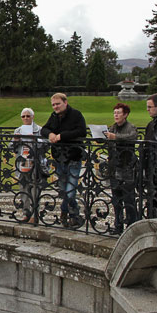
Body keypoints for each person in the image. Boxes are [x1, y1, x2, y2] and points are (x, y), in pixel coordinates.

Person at [43, 93, 90, 226]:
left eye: (57, 104)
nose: (55, 107)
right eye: (53, 105)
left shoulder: (76, 115)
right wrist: (51, 134)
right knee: (64, 189)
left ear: (65, 102)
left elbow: (81, 131)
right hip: (59, 158)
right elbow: (44, 129)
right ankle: (71, 215)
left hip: (74, 157)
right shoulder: (54, 116)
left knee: (70, 190)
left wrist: (61, 136)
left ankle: (69, 213)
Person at [14, 107, 44, 194]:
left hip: (36, 162)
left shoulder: (40, 130)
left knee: (35, 189)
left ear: (32, 117)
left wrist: (36, 140)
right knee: (23, 188)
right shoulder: (18, 130)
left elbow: (45, 146)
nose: (25, 118)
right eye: (23, 116)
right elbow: (12, 148)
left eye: (28, 116)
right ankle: (25, 208)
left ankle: (34, 207)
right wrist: (15, 140)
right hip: (22, 162)